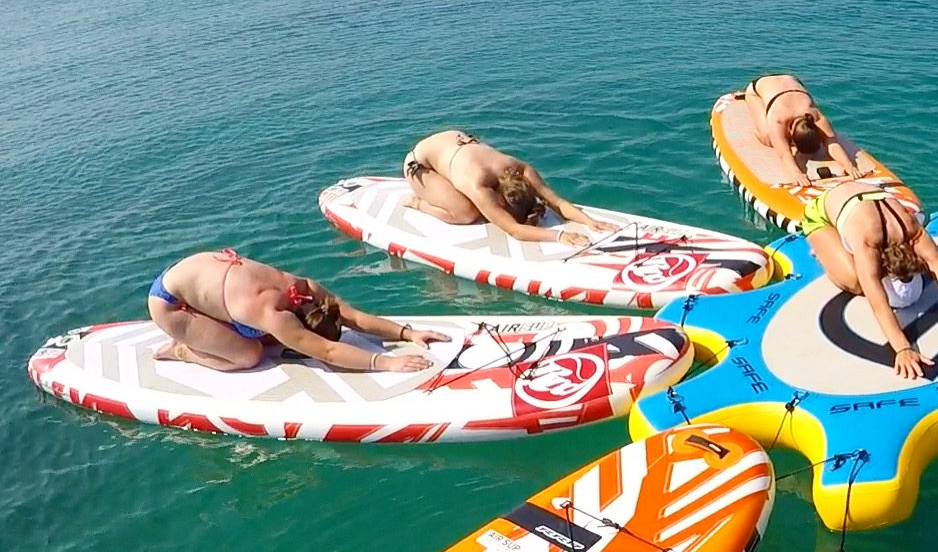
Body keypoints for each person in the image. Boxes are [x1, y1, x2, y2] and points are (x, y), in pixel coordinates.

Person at [799, 178, 938, 380]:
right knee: (855, 280)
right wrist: (902, 349)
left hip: (865, 197)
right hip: (823, 212)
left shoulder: (914, 232)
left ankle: (836, 248)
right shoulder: (868, 242)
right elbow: (878, 305)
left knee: (909, 273)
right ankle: (822, 251)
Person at [148, 249, 445, 372]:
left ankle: (216, 326)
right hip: (170, 303)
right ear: (297, 323)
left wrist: (408, 333)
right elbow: (327, 352)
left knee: (268, 342)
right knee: (249, 355)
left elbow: (351, 316)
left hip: (204, 281)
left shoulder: (305, 290)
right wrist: (386, 363)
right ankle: (181, 350)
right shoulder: (272, 314)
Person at [401, 130, 617, 248]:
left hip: (455, 143)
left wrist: (590, 221)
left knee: (477, 211)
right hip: (421, 164)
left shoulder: (520, 169)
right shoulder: (477, 183)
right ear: (499, 199)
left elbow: (557, 202)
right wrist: (559, 237)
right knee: (467, 213)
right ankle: (417, 202)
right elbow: (514, 229)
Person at [739, 75, 871, 186]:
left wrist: (849, 166)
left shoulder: (816, 116)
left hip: (793, 81)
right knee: (768, 138)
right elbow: (785, 153)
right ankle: (748, 98)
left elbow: (832, 143)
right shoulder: (779, 119)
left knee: (778, 137)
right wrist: (796, 173)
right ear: (790, 132)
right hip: (757, 90)